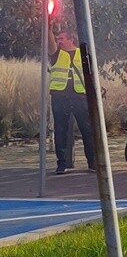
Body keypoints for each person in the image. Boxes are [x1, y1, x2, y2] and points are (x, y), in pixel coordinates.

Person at [47, 23, 96, 174]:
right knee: (61, 131)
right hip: (60, 97)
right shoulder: (56, 54)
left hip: (79, 97)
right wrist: (48, 25)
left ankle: (92, 163)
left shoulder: (83, 54)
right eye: (58, 39)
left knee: (87, 130)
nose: (59, 41)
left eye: (61, 38)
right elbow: (50, 43)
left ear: (71, 39)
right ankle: (61, 164)